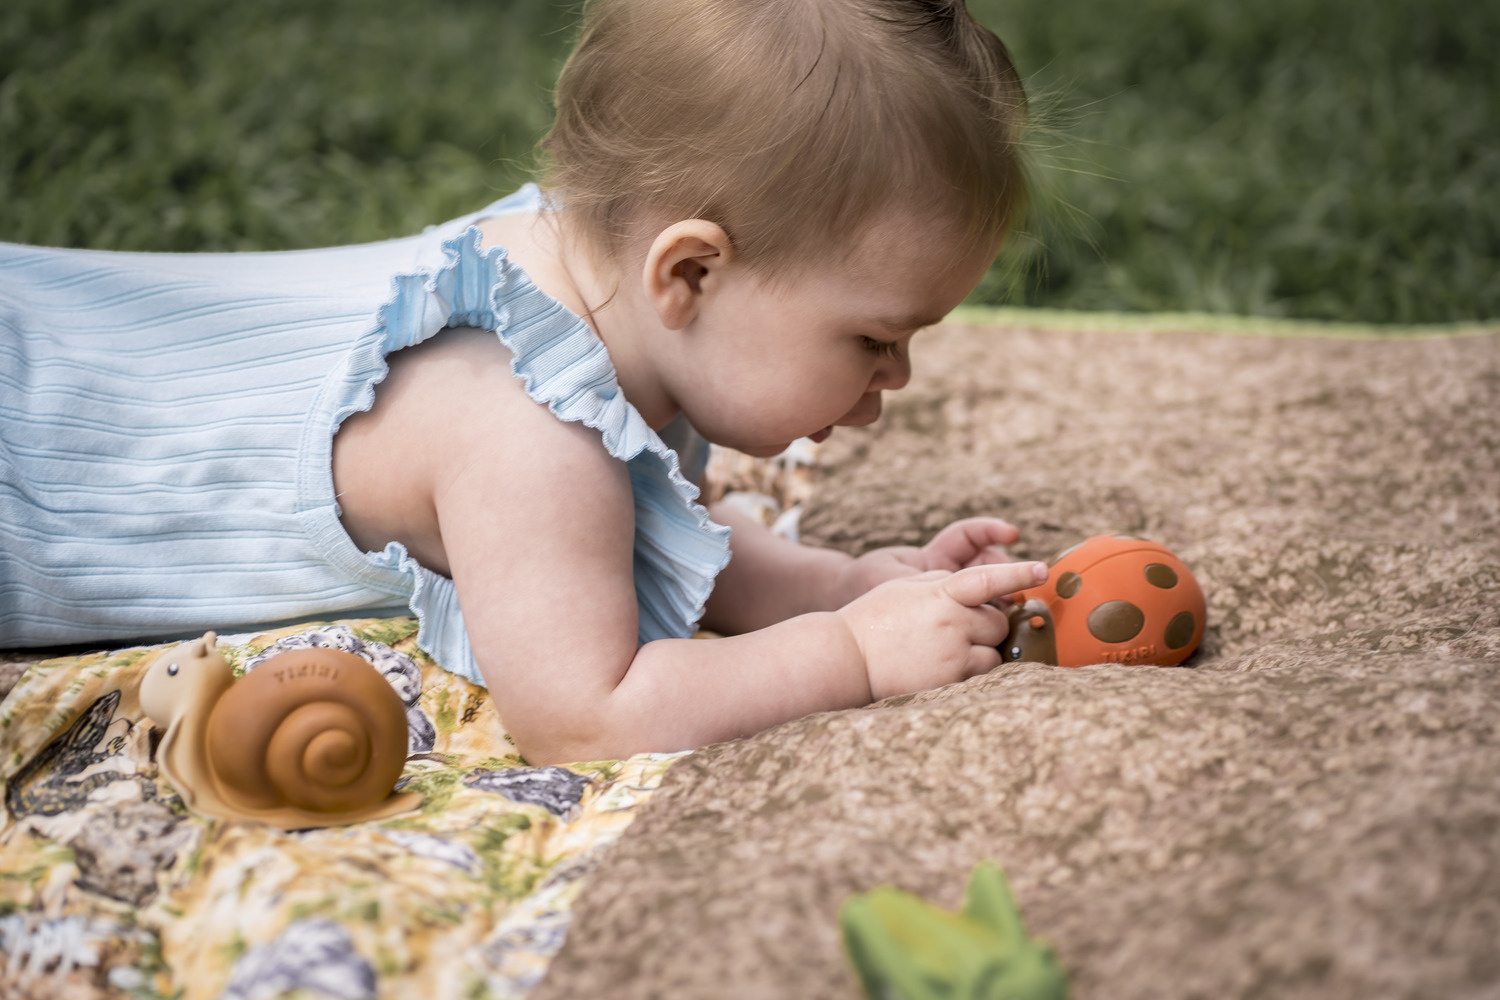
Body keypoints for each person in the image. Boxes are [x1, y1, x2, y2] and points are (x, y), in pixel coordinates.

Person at [0, 0, 1043, 764]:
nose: (898, 376)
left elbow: (642, 534)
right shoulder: (527, 433)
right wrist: (851, 650)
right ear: (689, 271)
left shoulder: (593, 287)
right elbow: (589, 713)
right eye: (873, 339)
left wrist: (840, 583)